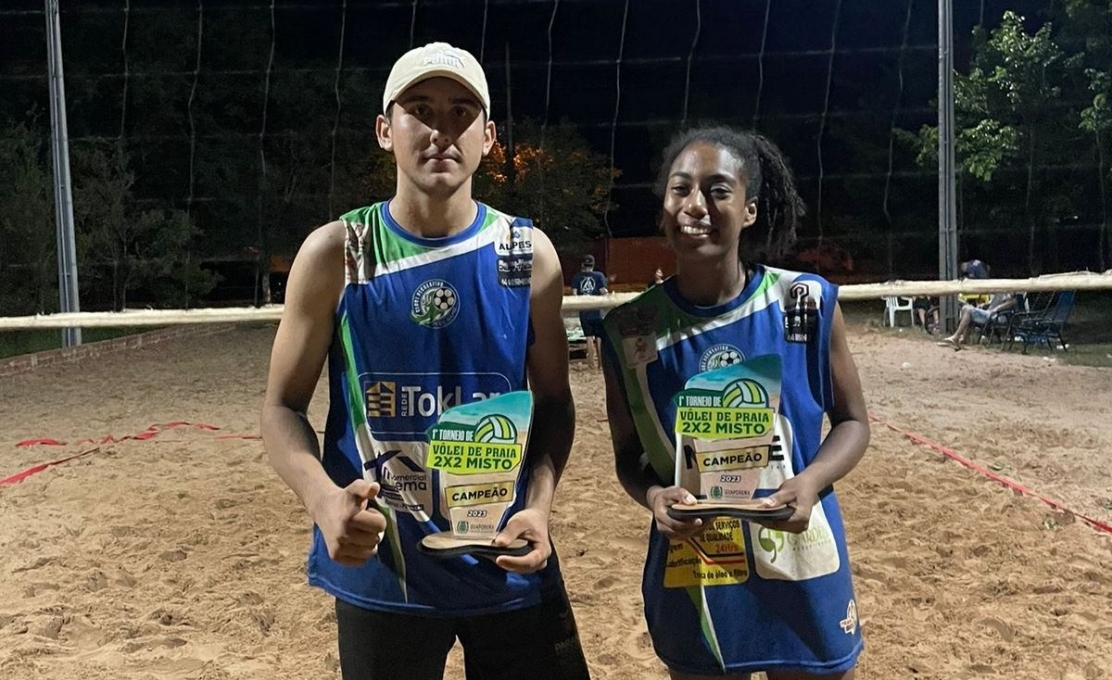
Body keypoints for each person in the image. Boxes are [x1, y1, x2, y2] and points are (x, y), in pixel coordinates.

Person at [261, 42, 590, 680]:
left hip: (504, 553)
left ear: (489, 137)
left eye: (462, 111)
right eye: (420, 108)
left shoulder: (527, 254)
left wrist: (541, 507)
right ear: (386, 130)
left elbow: (554, 402)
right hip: (384, 565)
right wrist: (324, 500)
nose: (441, 128)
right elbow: (280, 408)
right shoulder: (339, 253)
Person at [601, 126, 870, 679]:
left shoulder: (806, 303)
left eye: (717, 190)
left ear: (749, 210)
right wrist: (653, 495)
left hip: (799, 558)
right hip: (698, 569)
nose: (695, 205)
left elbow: (853, 423)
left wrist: (811, 481)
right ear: (663, 207)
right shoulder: (630, 330)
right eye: (681, 190)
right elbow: (628, 455)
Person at [936, 291, 1021, 349]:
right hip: (989, 313)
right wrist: (984, 304)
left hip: (994, 316)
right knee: (966, 308)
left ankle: (957, 337)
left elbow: (998, 308)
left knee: (968, 310)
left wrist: (993, 310)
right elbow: (991, 303)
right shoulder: (1001, 293)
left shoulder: (1012, 300)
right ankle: (962, 338)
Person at [571, 254, 609, 369]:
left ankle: (591, 364)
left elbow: (574, 294)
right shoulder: (599, 276)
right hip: (597, 310)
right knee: (599, 337)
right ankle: (601, 364)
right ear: (593, 264)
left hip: (584, 311)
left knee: (588, 337)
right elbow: (603, 292)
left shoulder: (577, 277)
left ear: (582, 264)